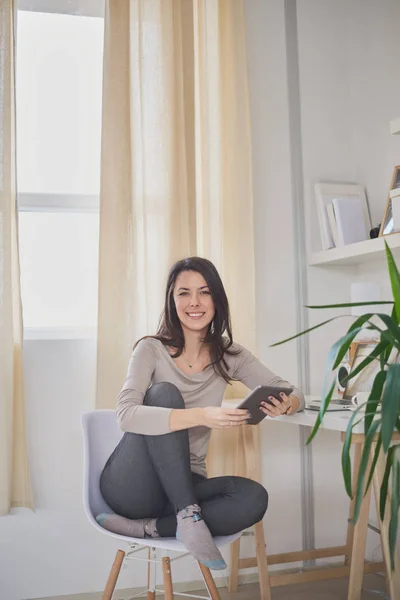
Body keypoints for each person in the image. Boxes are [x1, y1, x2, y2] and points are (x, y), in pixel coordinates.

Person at [97, 257, 304, 570]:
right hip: (132, 484)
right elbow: (126, 415)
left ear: (216, 300)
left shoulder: (229, 355)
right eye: (184, 293)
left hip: (181, 485)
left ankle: (156, 526)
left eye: (204, 292)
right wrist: (203, 416)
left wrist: (288, 404)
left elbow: (289, 389)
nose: (194, 302)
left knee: (254, 498)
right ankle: (188, 516)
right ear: (172, 300)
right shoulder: (150, 349)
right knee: (163, 394)